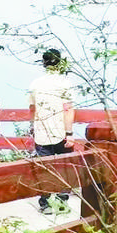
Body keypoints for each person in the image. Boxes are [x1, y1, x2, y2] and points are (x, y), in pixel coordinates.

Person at [29, 48, 75, 213]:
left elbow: (32, 109)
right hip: (61, 132)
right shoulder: (64, 83)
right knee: (64, 168)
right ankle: (62, 203)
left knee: (44, 169)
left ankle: (46, 203)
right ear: (60, 62)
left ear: (44, 63)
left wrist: (33, 127)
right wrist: (69, 133)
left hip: (41, 131)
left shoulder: (35, 84)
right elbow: (68, 109)